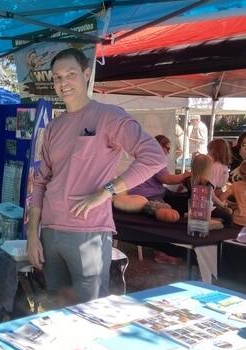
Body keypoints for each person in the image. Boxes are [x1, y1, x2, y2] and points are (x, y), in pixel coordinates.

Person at [26, 47, 166, 303]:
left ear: (86, 74)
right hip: (49, 232)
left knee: (89, 311)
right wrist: (32, 235)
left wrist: (106, 192)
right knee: (58, 307)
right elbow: (40, 183)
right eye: (57, 77)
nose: (63, 83)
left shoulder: (109, 117)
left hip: (87, 232)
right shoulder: (54, 127)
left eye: (70, 74)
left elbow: (154, 157)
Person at [113, 134, 181, 223]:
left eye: (169, 149)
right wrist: (183, 177)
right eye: (167, 148)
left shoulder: (147, 158)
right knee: (160, 207)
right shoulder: (155, 160)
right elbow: (167, 179)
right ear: (158, 147)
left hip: (140, 191)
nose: (168, 152)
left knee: (170, 195)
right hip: (148, 195)